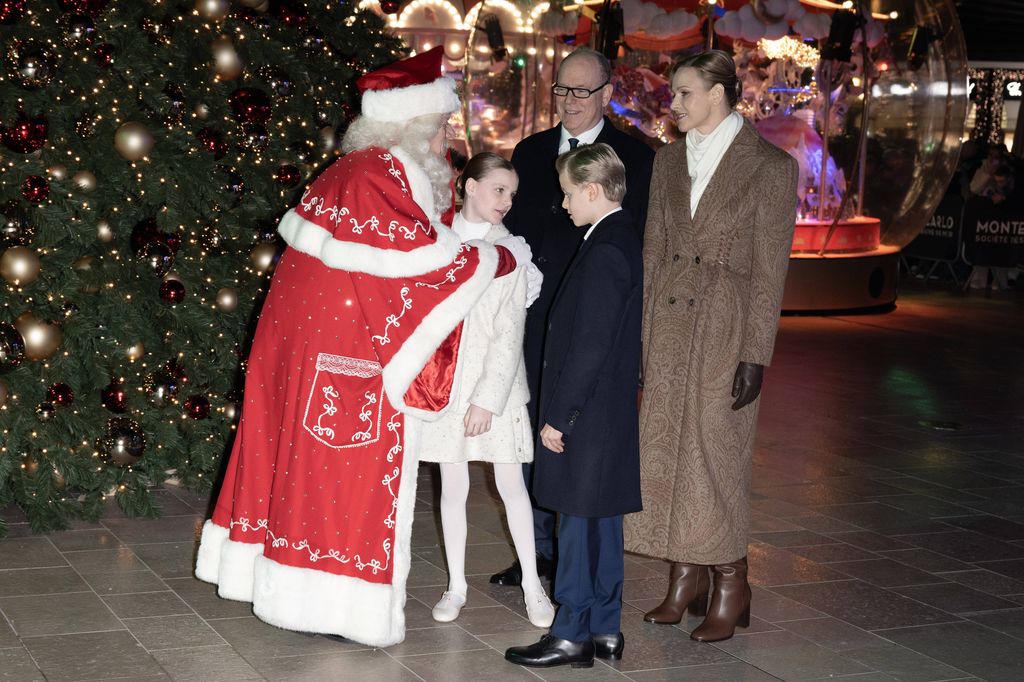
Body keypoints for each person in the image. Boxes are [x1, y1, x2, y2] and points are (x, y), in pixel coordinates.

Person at [193, 47, 536, 648]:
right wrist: (495, 258)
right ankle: (336, 607)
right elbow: (421, 267)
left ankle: (301, 594)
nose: (446, 142)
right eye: (442, 129)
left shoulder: (354, 171)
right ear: (418, 127)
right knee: (345, 483)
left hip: (317, 356)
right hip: (350, 365)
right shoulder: (380, 175)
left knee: (308, 476)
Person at [622, 50, 798, 643]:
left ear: (719, 94)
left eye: (684, 93)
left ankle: (731, 581)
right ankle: (685, 575)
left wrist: (757, 353)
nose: (673, 103)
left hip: (725, 325)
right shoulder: (668, 161)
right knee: (670, 451)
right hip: (671, 323)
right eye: (674, 92)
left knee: (716, 453)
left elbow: (771, 270)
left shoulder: (769, 167)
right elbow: (652, 251)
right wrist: (644, 336)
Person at [492, 45, 654, 589]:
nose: (570, 101)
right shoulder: (532, 151)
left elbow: (641, 246)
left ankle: (572, 562)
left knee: (572, 432)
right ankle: (532, 553)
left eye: (582, 90)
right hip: (535, 317)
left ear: (607, 93)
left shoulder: (637, 158)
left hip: (593, 319)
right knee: (531, 428)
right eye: (562, 89)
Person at [505, 143, 642, 669]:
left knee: (579, 524)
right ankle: (606, 628)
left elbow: (590, 344)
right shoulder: (618, 237)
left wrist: (560, 417)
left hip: (586, 415)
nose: (562, 205)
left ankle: (571, 633)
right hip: (607, 414)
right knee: (603, 521)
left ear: (591, 190)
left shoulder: (605, 247)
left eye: (567, 194)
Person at [416, 153, 555, 628]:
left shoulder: (511, 250)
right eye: (499, 189)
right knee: (452, 487)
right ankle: (455, 585)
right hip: (444, 387)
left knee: (511, 486)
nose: (507, 201)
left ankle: (534, 585)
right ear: (469, 185)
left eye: (512, 194)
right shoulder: (436, 239)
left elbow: (509, 328)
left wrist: (486, 399)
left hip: (495, 391)